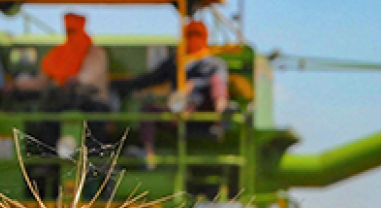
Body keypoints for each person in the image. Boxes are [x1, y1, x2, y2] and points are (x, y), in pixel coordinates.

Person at [114, 20, 230, 167]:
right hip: (177, 111)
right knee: (149, 111)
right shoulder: (176, 62)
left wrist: (194, 86)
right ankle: (149, 156)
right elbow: (151, 79)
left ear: (205, 38)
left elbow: (219, 85)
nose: (193, 39)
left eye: (197, 35)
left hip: (203, 113)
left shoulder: (214, 64)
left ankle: (222, 114)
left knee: (216, 83)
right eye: (190, 35)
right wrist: (120, 84)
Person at [14, 12, 110, 107]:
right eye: (69, 31)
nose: (72, 35)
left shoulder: (95, 53)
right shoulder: (58, 53)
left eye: (74, 31)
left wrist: (76, 81)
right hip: (61, 102)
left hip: (93, 103)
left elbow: (88, 76)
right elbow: (40, 81)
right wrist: (19, 84)